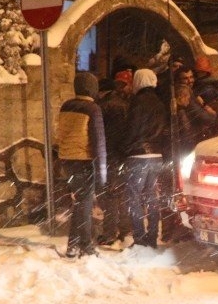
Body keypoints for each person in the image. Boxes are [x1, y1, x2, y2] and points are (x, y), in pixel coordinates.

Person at [56, 72, 107, 258]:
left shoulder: (66, 106)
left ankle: (74, 245)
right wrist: (103, 174)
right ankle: (85, 246)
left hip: (66, 161)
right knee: (84, 204)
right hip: (84, 161)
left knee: (79, 203)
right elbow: (98, 142)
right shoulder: (92, 109)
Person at [123, 68, 168, 248]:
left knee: (133, 197)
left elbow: (132, 128)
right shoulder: (160, 103)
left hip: (138, 154)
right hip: (157, 155)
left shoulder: (137, 102)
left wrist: (124, 147)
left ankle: (140, 237)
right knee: (151, 196)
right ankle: (153, 236)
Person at [94, 69, 133, 246]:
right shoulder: (128, 104)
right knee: (121, 193)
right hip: (123, 154)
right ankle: (125, 229)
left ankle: (110, 233)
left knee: (110, 195)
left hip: (110, 155)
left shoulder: (104, 105)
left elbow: (100, 133)